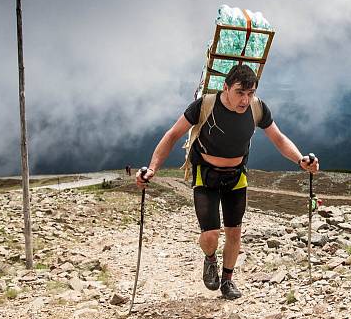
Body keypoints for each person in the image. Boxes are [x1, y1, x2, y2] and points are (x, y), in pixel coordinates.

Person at [136, 64, 319, 300]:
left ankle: (227, 281)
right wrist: (152, 169)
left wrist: (300, 160)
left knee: (234, 232)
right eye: (240, 92)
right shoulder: (204, 106)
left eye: (250, 93)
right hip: (206, 173)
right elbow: (172, 135)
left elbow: (278, 138)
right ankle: (210, 258)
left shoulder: (258, 108)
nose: (245, 100)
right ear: (226, 88)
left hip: (236, 175)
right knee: (211, 235)